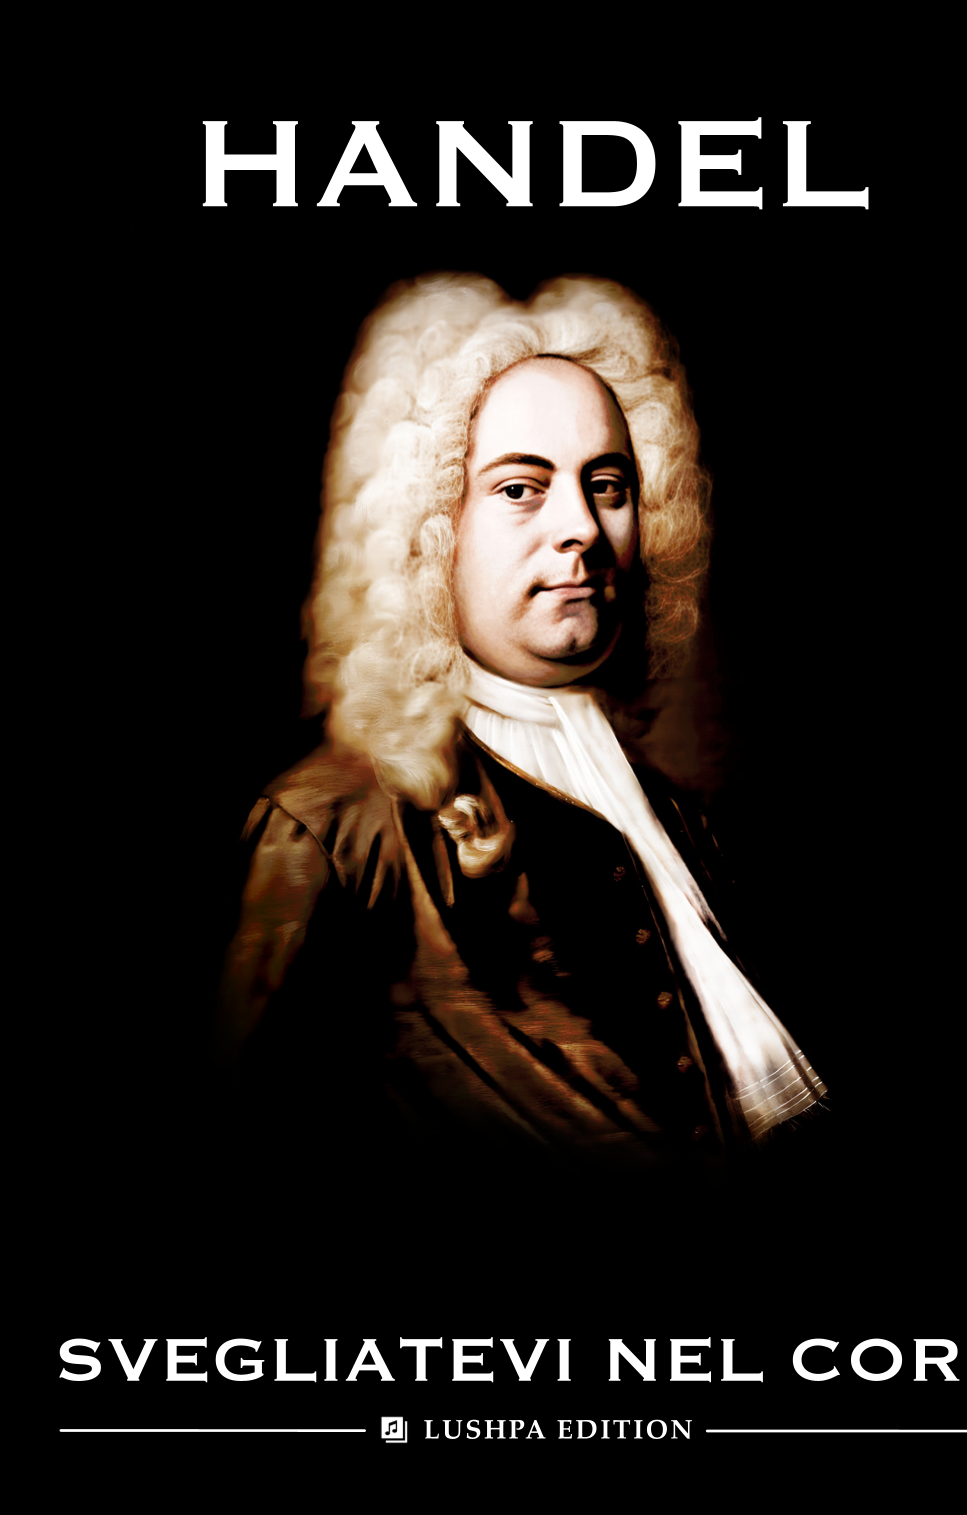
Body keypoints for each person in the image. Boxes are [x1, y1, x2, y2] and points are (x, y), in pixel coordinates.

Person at [217, 273, 827, 1174]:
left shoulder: (676, 812)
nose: (581, 527)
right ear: (428, 527)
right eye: (519, 488)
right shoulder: (332, 824)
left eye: (607, 485)